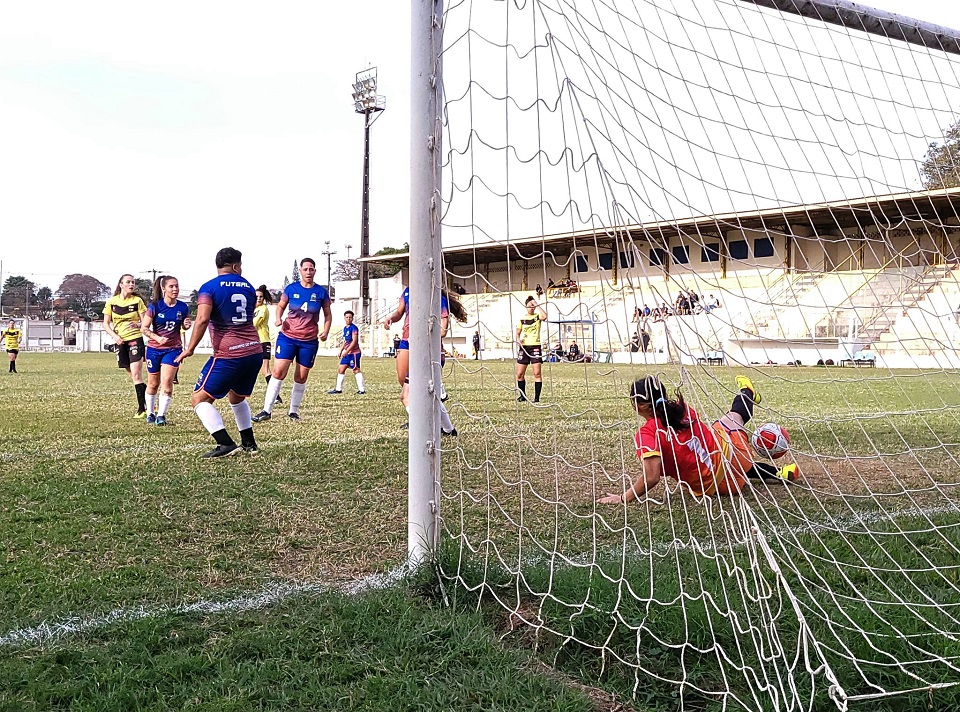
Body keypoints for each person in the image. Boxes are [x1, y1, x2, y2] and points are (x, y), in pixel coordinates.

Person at [597, 375, 798, 504]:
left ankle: (779, 472)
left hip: (723, 488)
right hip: (738, 458)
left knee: (720, 439)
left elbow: (651, 478)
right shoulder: (682, 408)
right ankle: (747, 393)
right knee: (731, 420)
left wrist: (623, 498)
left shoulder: (646, 434)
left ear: (637, 405)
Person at [175, 247, 263, 458]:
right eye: (240, 266)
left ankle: (224, 443)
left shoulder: (209, 288)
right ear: (235, 266)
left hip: (229, 353)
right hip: (253, 350)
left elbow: (203, 319)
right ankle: (249, 443)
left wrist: (190, 348)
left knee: (199, 399)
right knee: (237, 397)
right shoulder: (249, 287)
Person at [253, 258, 332, 422]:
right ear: (301, 271)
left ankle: (293, 411)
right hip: (288, 337)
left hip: (309, 341)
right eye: (305, 269)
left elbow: (328, 314)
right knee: (278, 372)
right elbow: (280, 306)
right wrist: (277, 318)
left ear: (315, 271)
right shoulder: (291, 288)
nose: (308, 272)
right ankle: (266, 410)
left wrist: (325, 331)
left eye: (311, 269)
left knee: (301, 376)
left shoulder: (321, 292)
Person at [382, 285, 466, 434]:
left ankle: (422, 424)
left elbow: (442, 330)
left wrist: (422, 335)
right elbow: (399, 312)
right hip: (408, 341)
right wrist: (390, 318)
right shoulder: (408, 291)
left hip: (426, 349)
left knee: (409, 394)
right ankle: (447, 428)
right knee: (405, 382)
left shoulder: (435, 296)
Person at [140, 275, 191, 425]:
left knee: (167, 383)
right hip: (154, 350)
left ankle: (161, 416)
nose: (175, 289)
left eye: (176, 286)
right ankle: (150, 413)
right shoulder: (155, 306)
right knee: (153, 384)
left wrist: (186, 325)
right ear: (164, 289)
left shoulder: (183, 307)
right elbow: (144, 328)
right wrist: (157, 338)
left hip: (173, 350)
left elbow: (184, 326)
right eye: (171, 286)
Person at [103, 274, 149, 417]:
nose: (131, 284)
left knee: (136, 374)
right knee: (132, 375)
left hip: (135, 338)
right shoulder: (112, 301)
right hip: (120, 342)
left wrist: (138, 324)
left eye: (133, 282)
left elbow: (146, 322)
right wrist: (115, 336)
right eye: (128, 282)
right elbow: (105, 323)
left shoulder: (137, 301)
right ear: (121, 284)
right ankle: (149, 394)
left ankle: (143, 409)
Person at [515, 295, 548, 402]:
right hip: (524, 348)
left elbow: (544, 316)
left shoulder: (537, 317)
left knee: (537, 373)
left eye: (533, 306)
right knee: (520, 374)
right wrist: (518, 339)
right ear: (526, 307)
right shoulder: (522, 319)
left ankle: (536, 398)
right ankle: (522, 396)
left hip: (535, 346)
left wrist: (537, 304)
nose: (532, 308)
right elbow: (517, 333)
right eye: (530, 306)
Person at [253, 285, 281, 404]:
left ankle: (276, 396)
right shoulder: (254, 309)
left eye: (261, 297)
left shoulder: (263, 309)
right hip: (256, 342)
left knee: (265, 369)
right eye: (257, 297)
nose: (259, 299)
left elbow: (254, 324)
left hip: (263, 341)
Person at [329, 310, 366, 395]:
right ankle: (338, 389)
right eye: (347, 317)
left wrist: (347, 351)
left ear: (352, 318)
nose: (348, 319)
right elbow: (345, 341)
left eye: (350, 317)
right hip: (347, 353)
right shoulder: (345, 328)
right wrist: (341, 350)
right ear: (344, 318)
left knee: (356, 369)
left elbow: (354, 341)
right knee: (341, 369)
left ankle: (362, 390)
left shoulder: (354, 328)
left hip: (354, 353)